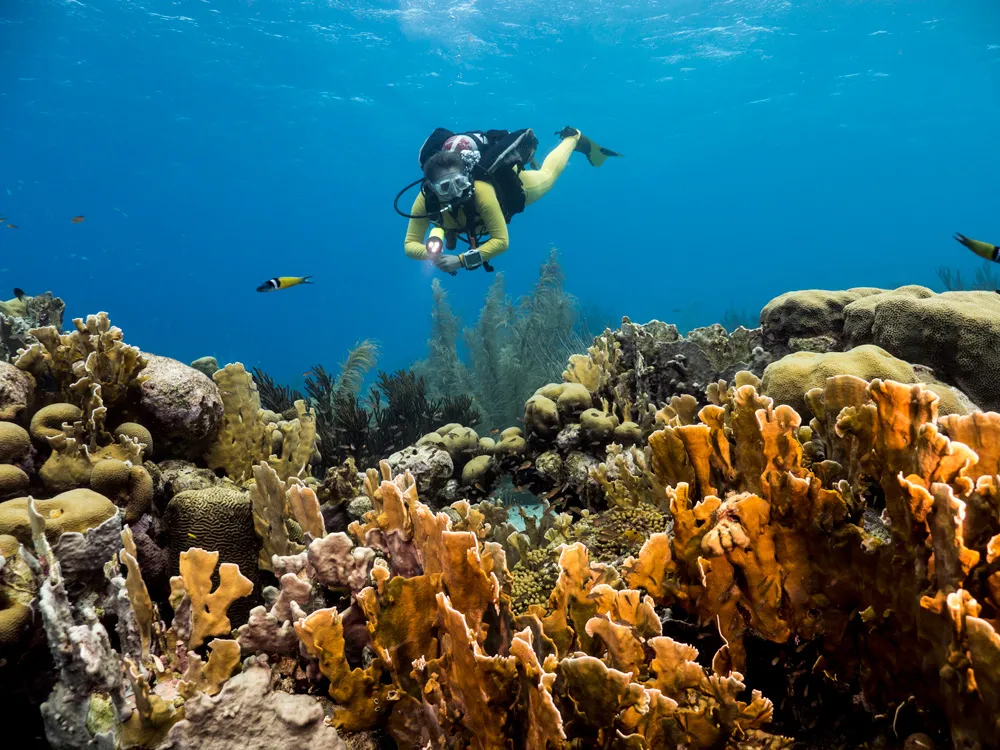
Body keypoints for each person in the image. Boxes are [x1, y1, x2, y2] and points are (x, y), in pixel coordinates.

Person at [399, 127, 620, 274]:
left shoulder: (481, 191)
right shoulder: (425, 200)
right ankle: (450, 232)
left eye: (460, 182)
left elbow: (502, 241)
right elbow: (409, 245)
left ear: (468, 176)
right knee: (443, 225)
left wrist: (461, 261)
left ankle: (572, 137)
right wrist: (431, 255)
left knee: (547, 177)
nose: (456, 192)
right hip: (462, 220)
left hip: (512, 190)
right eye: (446, 187)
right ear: (431, 188)